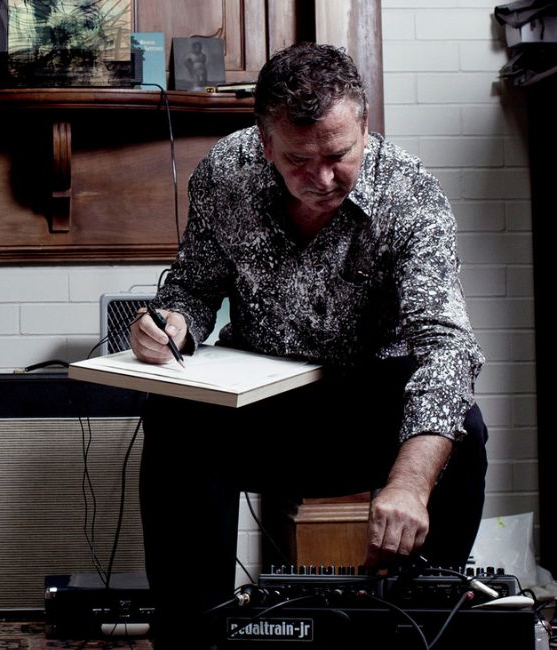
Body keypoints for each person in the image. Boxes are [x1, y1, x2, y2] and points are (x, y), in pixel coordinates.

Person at [130, 42, 487, 648]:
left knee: (465, 433)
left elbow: (446, 348)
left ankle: (425, 626)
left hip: (369, 407)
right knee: (171, 418)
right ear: (265, 143)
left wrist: (407, 484)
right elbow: (192, 288)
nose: (323, 180)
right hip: (259, 404)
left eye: (340, 155)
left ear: (365, 128)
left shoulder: (411, 195)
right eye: (298, 160)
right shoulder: (225, 173)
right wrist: (172, 322)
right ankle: (195, 633)